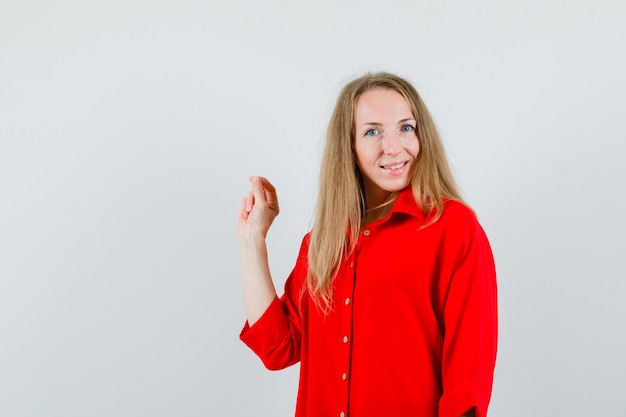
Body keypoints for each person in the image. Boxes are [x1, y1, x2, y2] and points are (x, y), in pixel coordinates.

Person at [236, 72, 497, 417]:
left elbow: (469, 377)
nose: (394, 147)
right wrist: (252, 241)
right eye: (373, 131)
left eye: (406, 127)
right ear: (349, 147)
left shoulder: (453, 227)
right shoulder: (323, 242)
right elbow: (278, 347)